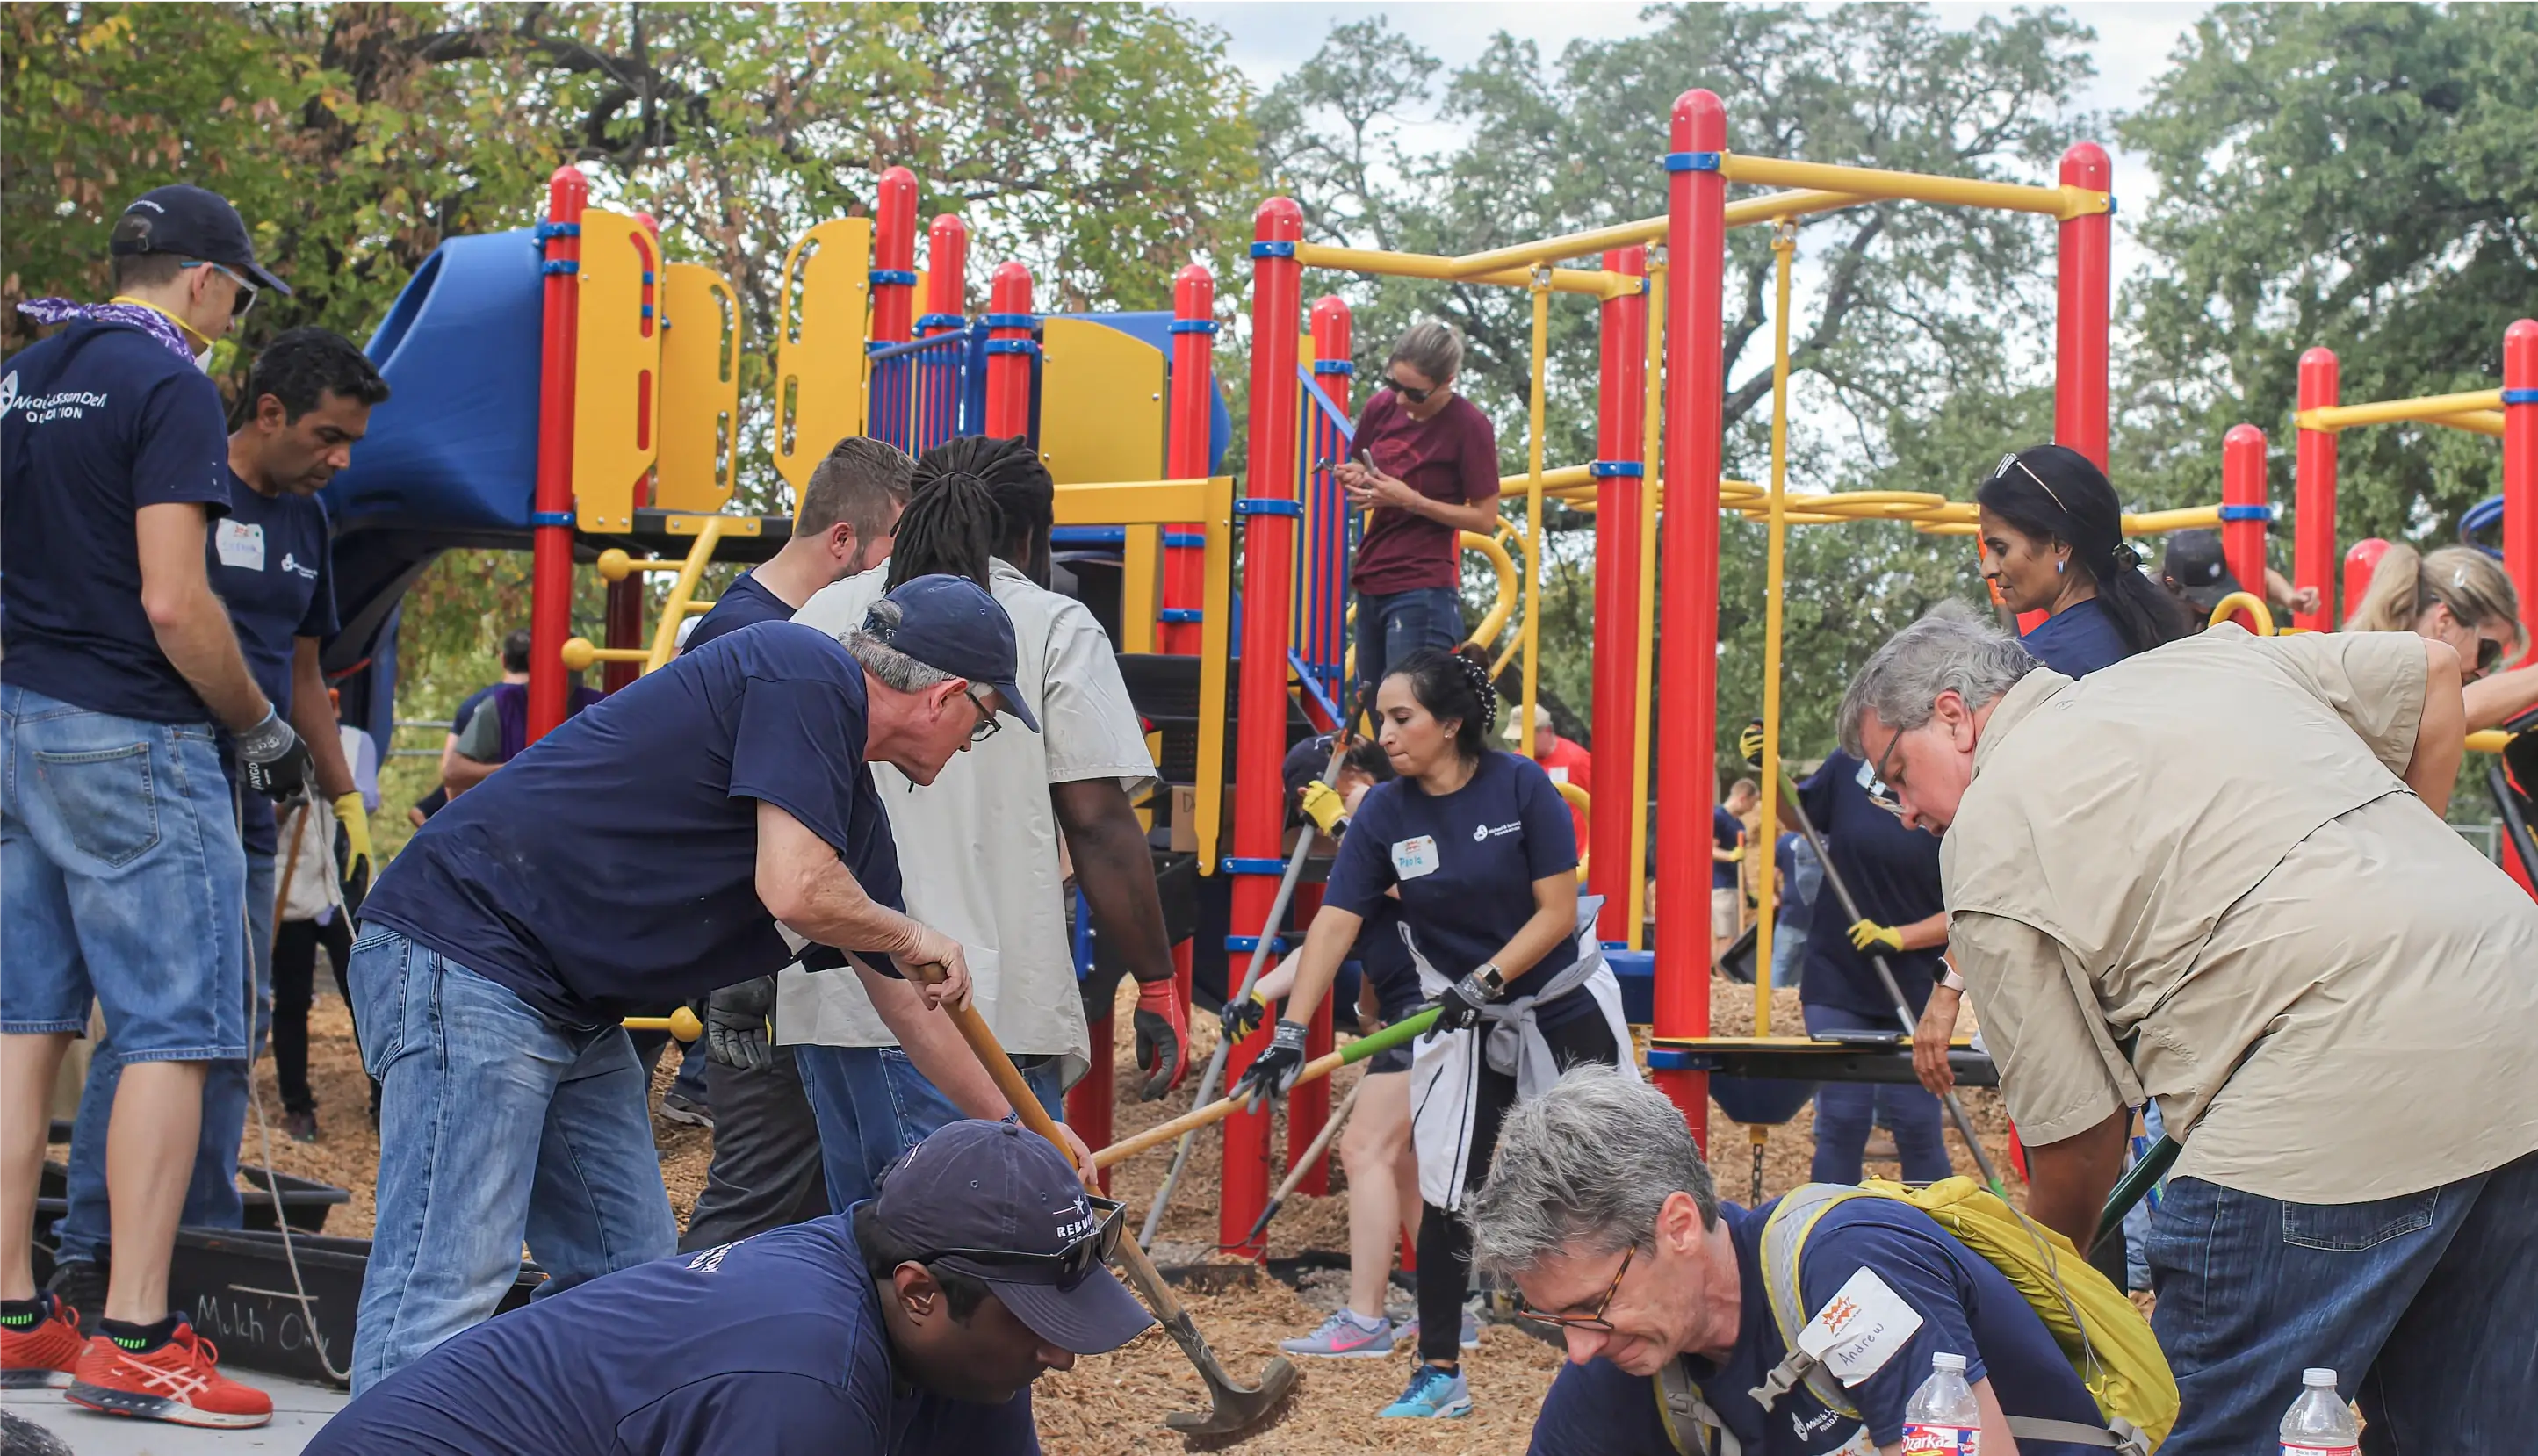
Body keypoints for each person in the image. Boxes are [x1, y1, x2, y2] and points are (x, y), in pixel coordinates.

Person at [1840, 605, 2538, 1454]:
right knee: (2473, 1427)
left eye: (1893, 775)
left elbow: (2078, 1135)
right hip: (2515, 1011)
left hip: (2320, 1082)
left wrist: (2042, 1298)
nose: (1901, 812)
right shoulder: (2206, 663)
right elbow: (2434, 675)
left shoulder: (1989, 833)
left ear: (1953, 715)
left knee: (2207, 1429)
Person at [343, 578, 1069, 1391]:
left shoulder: (849, 808)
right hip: (467, 950)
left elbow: (910, 1005)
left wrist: (1023, 1127)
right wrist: (907, 933)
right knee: (447, 1282)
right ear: (946, 696)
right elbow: (794, 889)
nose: (981, 737)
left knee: (630, 1277)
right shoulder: (801, 670)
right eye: (989, 718)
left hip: (566, 1001)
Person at [0, 184, 307, 1425]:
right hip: (134, 733)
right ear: (202, 280)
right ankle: (135, 1331)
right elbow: (176, 601)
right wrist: (259, 721)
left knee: (24, 1024)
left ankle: (15, 1315)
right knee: (175, 1030)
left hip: (17, 724)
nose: (233, 314)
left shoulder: (21, 376)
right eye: (237, 292)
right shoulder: (170, 383)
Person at [50, 328, 383, 1301]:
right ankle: (90, 1247)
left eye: (352, 440)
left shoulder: (310, 526)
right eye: (328, 435)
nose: (341, 459)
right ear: (268, 413)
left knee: (229, 1030)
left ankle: (198, 1241)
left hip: (254, 812)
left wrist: (342, 793)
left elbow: (309, 675)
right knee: (155, 1030)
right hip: (165, 782)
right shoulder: (185, 486)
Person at [778, 436, 1181, 1210]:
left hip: (832, 995)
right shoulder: (1050, 623)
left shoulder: (827, 609)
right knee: (977, 1273)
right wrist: (1157, 980)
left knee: (873, 1258)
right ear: (1033, 539)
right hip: (975, 1012)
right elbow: (1097, 822)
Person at [1237, 648, 1633, 1422]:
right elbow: (1335, 920)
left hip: (1560, 1003)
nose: (1384, 732)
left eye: (1401, 717)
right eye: (1383, 717)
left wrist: (1487, 978)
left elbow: (1557, 910)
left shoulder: (1522, 787)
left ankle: (1647, 1338)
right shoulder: (1385, 811)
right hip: (1464, 1018)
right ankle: (1441, 1369)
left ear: (1450, 724)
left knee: (1611, 1171)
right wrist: (1288, 1030)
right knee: (1449, 1187)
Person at [302, 1119, 1150, 1456]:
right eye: (1037, 1321)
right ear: (921, 1291)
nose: (1058, 1352)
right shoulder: (801, 1376)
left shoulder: (956, 1329)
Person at [1471, 1070, 2115, 1456]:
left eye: (1591, 1307)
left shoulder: (1849, 1270)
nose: (1579, 1348)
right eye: (1557, 1319)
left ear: (1679, 1227)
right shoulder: (1633, 1347)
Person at [1227, 739, 1481, 1359]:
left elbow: (1430, 888)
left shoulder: (1408, 816)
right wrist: (1258, 993)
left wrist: (1350, 820)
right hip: (1408, 1014)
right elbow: (1330, 934)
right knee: (1403, 1164)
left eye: (1321, 801)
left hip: (1441, 1008)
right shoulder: (1368, 840)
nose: (1316, 826)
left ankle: (1365, 1319)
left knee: (1363, 1146)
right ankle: (1452, 1310)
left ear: (1358, 776)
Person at [1783, 746, 1951, 1186]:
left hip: (1915, 983)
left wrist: (1899, 937)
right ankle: (1830, 1236)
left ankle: (1936, 1243)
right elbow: (1798, 816)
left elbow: (1965, 910)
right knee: (1842, 1119)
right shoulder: (1845, 769)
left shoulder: (1953, 781)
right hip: (1839, 974)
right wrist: (1770, 776)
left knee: (1917, 1123)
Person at [1335, 321, 1500, 710]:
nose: (1401, 400)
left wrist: (1412, 500)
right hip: (1373, 576)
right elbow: (1360, 468)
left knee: (1411, 714)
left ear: (1448, 382)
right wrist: (1353, 476)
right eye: (1394, 384)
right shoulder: (1380, 407)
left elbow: (1484, 518)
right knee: (1378, 715)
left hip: (1423, 584)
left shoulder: (1470, 426)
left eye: (1415, 393)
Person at [1975, 443, 2188, 678]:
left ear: (2061, 545)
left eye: (2001, 549)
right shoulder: (2152, 631)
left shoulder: (2038, 666)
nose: (1987, 569)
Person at [685, 435, 910, 650]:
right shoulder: (738, 636)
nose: (905, 563)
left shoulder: (814, 619)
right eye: (898, 550)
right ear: (842, 540)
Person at [2342, 540, 2538, 731]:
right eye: (2486, 651)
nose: (2483, 673)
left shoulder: (2363, 665)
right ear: (2444, 623)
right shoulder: (2374, 685)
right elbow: (2455, 712)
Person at [2155, 527, 2319, 623]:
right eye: (2199, 596)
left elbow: (2263, 577)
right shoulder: (2153, 607)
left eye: (2216, 589)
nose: (2208, 605)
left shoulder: (2228, 572)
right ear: (2172, 585)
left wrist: (2290, 597)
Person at [1505, 712, 1590, 843]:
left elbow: (1603, 803)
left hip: (1576, 854)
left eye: (1524, 739)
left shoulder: (1577, 759)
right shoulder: (1516, 763)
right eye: (1517, 740)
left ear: (1547, 730)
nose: (1521, 745)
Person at [1766, 828, 1819, 990]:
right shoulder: (1827, 843)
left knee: (1780, 967)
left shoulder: (1785, 841)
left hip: (1792, 917)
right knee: (1811, 971)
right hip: (1817, 920)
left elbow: (1771, 876)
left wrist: (1774, 895)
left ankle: (1771, 1004)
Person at [1710, 776, 1755, 957]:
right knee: (1725, 937)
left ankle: (1726, 975)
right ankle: (1721, 978)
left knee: (1734, 937)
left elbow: (1741, 861)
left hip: (1734, 885)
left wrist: (1748, 889)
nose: (1752, 808)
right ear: (1742, 798)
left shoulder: (1739, 824)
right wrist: (1730, 856)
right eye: (1751, 803)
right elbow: (1709, 849)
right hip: (1721, 886)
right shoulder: (1718, 817)